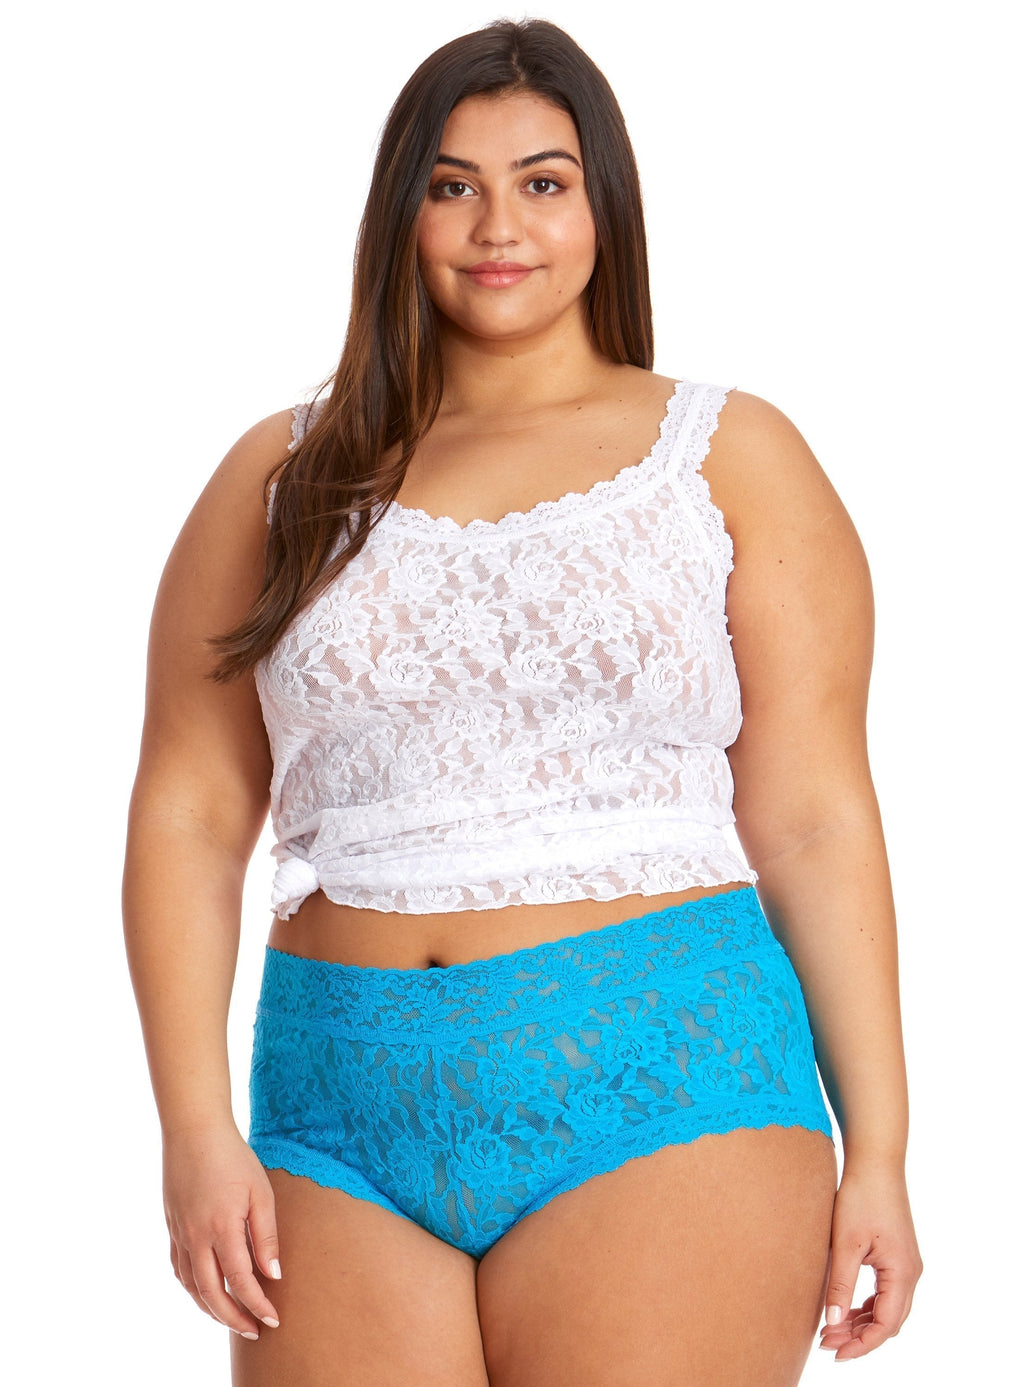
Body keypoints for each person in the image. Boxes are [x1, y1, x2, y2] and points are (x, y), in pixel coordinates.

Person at [123, 17, 922, 1386]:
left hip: (664, 1084)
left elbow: (813, 818)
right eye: (454, 186)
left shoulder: (728, 455)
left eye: (544, 182)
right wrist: (192, 1131)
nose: (499, 226)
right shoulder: (283, 476)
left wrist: (885, 1154)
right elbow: (190, 811)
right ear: (402, 213)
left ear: (605, 207)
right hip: (332, 1110)